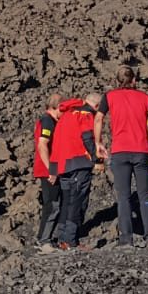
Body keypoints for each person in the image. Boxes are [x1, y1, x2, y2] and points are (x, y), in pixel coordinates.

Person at [95, 66, 148, 248]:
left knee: (124, 196)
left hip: (120, 152)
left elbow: (98, 118)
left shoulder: (109, 97)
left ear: (118, 81)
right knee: (145, 195)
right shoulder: (144, 97)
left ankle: (126, 238)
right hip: (142, 151)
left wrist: (98, 142)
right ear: (134, 80)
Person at [50, 93, 102, 250]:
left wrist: (53, 170)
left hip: (63, 166)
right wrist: (97, 158)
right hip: (79, 163)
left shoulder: (66, 115)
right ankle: (70, 240)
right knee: (77, 201)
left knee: (66, 201)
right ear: (97, 106)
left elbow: (56, 143)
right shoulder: (85, 115)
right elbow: (87, 137)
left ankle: (61, 238)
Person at [33, 94, 63, 247]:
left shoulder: (49, 121)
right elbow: (42, 144)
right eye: (62, 109)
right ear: (55, 107)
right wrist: (51, 169)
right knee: (52, 205)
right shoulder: (47, 121)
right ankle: (43, 239)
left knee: (53, 203)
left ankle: (47, 237)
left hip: (49, 169)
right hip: (47, 170)